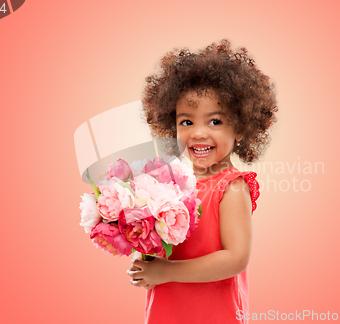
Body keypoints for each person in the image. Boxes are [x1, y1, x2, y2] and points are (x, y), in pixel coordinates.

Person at [127, 39, 278, 323]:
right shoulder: (171, 186)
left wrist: (165, 272)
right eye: (187, 122)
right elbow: (168, 248)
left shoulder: (231, 187)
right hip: (167, 312)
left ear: (241, 128)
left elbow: (235, 259)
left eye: (215, 122)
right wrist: (146, 265)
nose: (198, 133)